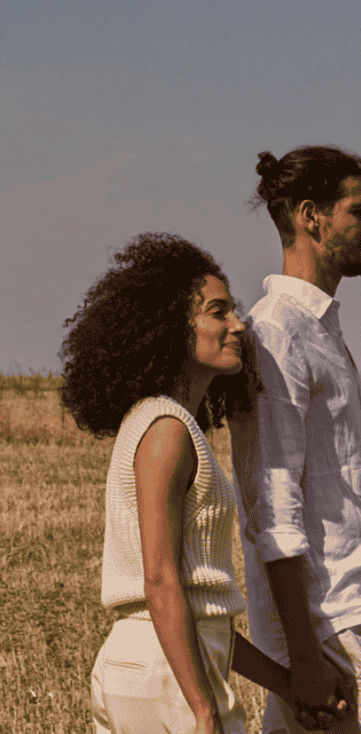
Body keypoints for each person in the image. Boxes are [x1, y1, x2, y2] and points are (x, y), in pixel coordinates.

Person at [64, 232, 295, 733]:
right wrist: (201, 708)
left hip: (159, 660)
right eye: (219, 312)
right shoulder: (167, 431)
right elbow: (160, 580)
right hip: (163, 671)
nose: (238, 325)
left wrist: (288, 685)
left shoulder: (166, 423)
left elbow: (200, 611)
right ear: (174, 329)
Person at [232, 145, 361, 734]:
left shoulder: (316, 329)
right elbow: (275, 506)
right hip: (338, 631)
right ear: (311, 216)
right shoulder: (278, 332)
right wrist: (306, 660)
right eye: (357, 212)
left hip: (341, 630)